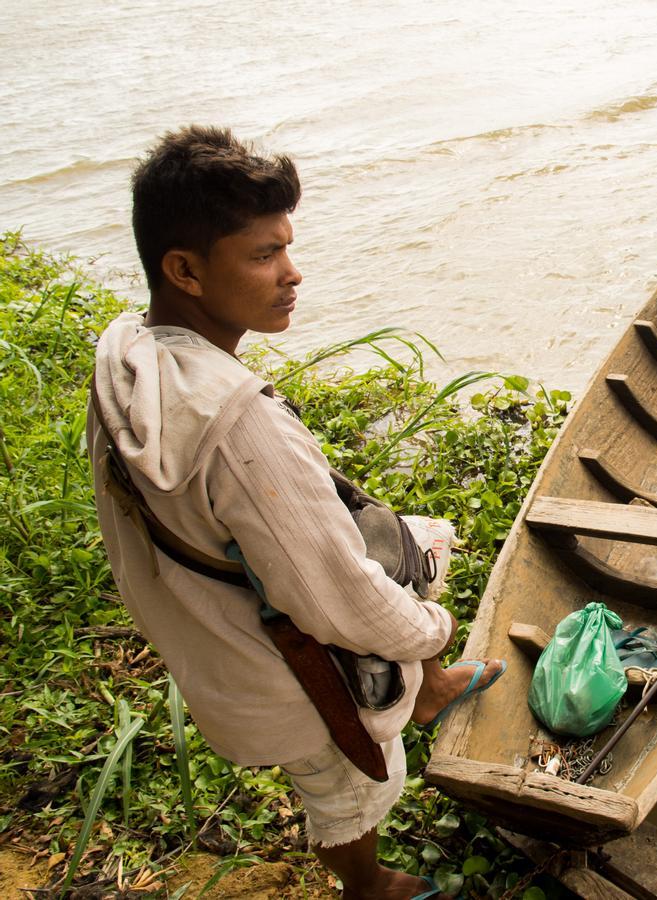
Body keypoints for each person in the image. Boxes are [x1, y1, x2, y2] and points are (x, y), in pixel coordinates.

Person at [87, 125, 504, 900]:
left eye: (287, 247)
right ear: (185, 270)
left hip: (208, 629)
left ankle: (433, 688)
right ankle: (368, 882)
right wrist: (431, 629)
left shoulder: (128, 354)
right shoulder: (239, 430)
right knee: (349, 788)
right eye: (263, 255)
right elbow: (340, 600)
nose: (293, 273)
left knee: (412, 540)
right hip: (285, 675)